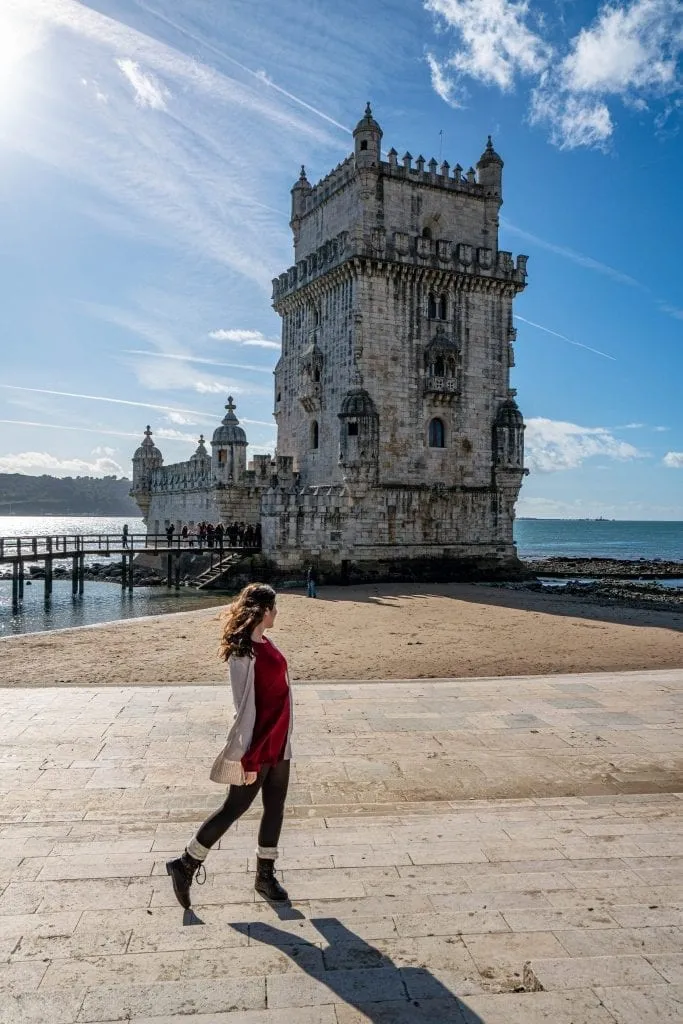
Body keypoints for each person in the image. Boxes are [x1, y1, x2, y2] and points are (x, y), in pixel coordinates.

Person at [166, 583, 293, 910]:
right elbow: (244, 707)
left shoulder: (266, 642)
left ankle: (265, 875)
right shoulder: (243, 654)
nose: (277, 613)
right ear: (264, 610)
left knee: (275, 806)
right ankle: (185, 864)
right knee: (235, 807)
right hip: (259, 744)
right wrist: (247, 758)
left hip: (279, 741)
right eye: (274, 608)